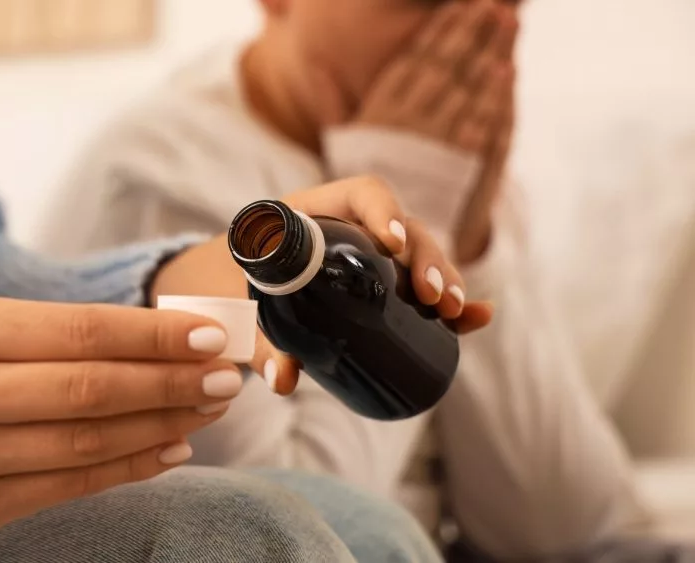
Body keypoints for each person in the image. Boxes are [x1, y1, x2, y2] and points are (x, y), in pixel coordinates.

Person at [0, 2, 491, 562]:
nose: (476, 35)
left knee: (366, 535)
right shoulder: (159, 157)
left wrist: (176, 284)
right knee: (238, 539)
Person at [39, 0, 679, 559]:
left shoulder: (445, 158)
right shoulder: (164, 178)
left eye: (509, 2)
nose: (481, 35)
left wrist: (472, 243)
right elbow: (292, 530)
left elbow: (561, 525)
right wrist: (408, 193)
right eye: (425, 2)